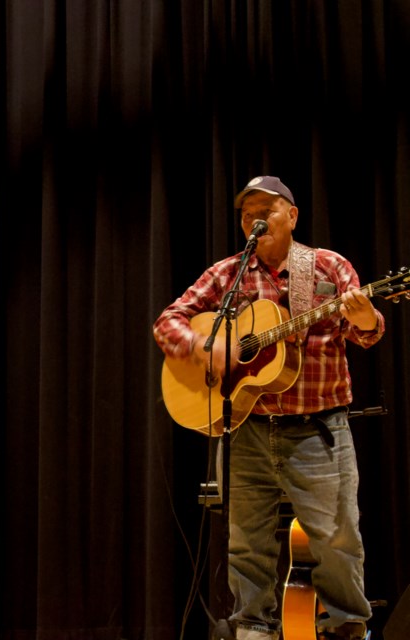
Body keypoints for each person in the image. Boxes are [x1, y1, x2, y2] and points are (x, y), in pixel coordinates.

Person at [152, 176, 383, 640]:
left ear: (292, 216)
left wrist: (365, 316)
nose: (254, 219)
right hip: (248, 428)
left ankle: (345, 627)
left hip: (319, 428)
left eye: (267, 209)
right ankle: (253, 628)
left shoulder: (327, 266)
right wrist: (202, 346)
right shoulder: (227, 272)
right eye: (246, 212)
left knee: (337, 539)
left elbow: (366, 332)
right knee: (245, 544)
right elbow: (168, 321)